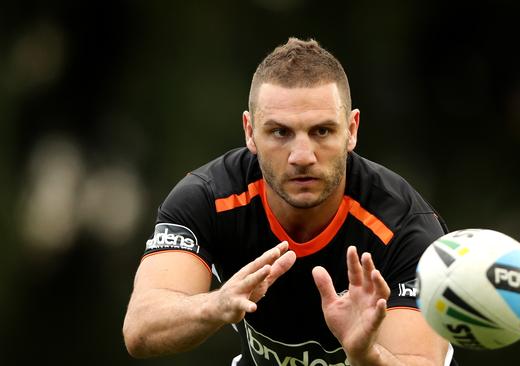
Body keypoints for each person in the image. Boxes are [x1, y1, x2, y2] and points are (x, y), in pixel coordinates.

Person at [123, 37, 456, 366]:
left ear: (351, 129)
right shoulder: (208, 198)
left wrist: (365, 355)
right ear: (250, 132)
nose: (302, 156)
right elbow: (141, 328)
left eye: (322, 131)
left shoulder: (404, 226)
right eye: (280, 132)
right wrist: (218, 305)